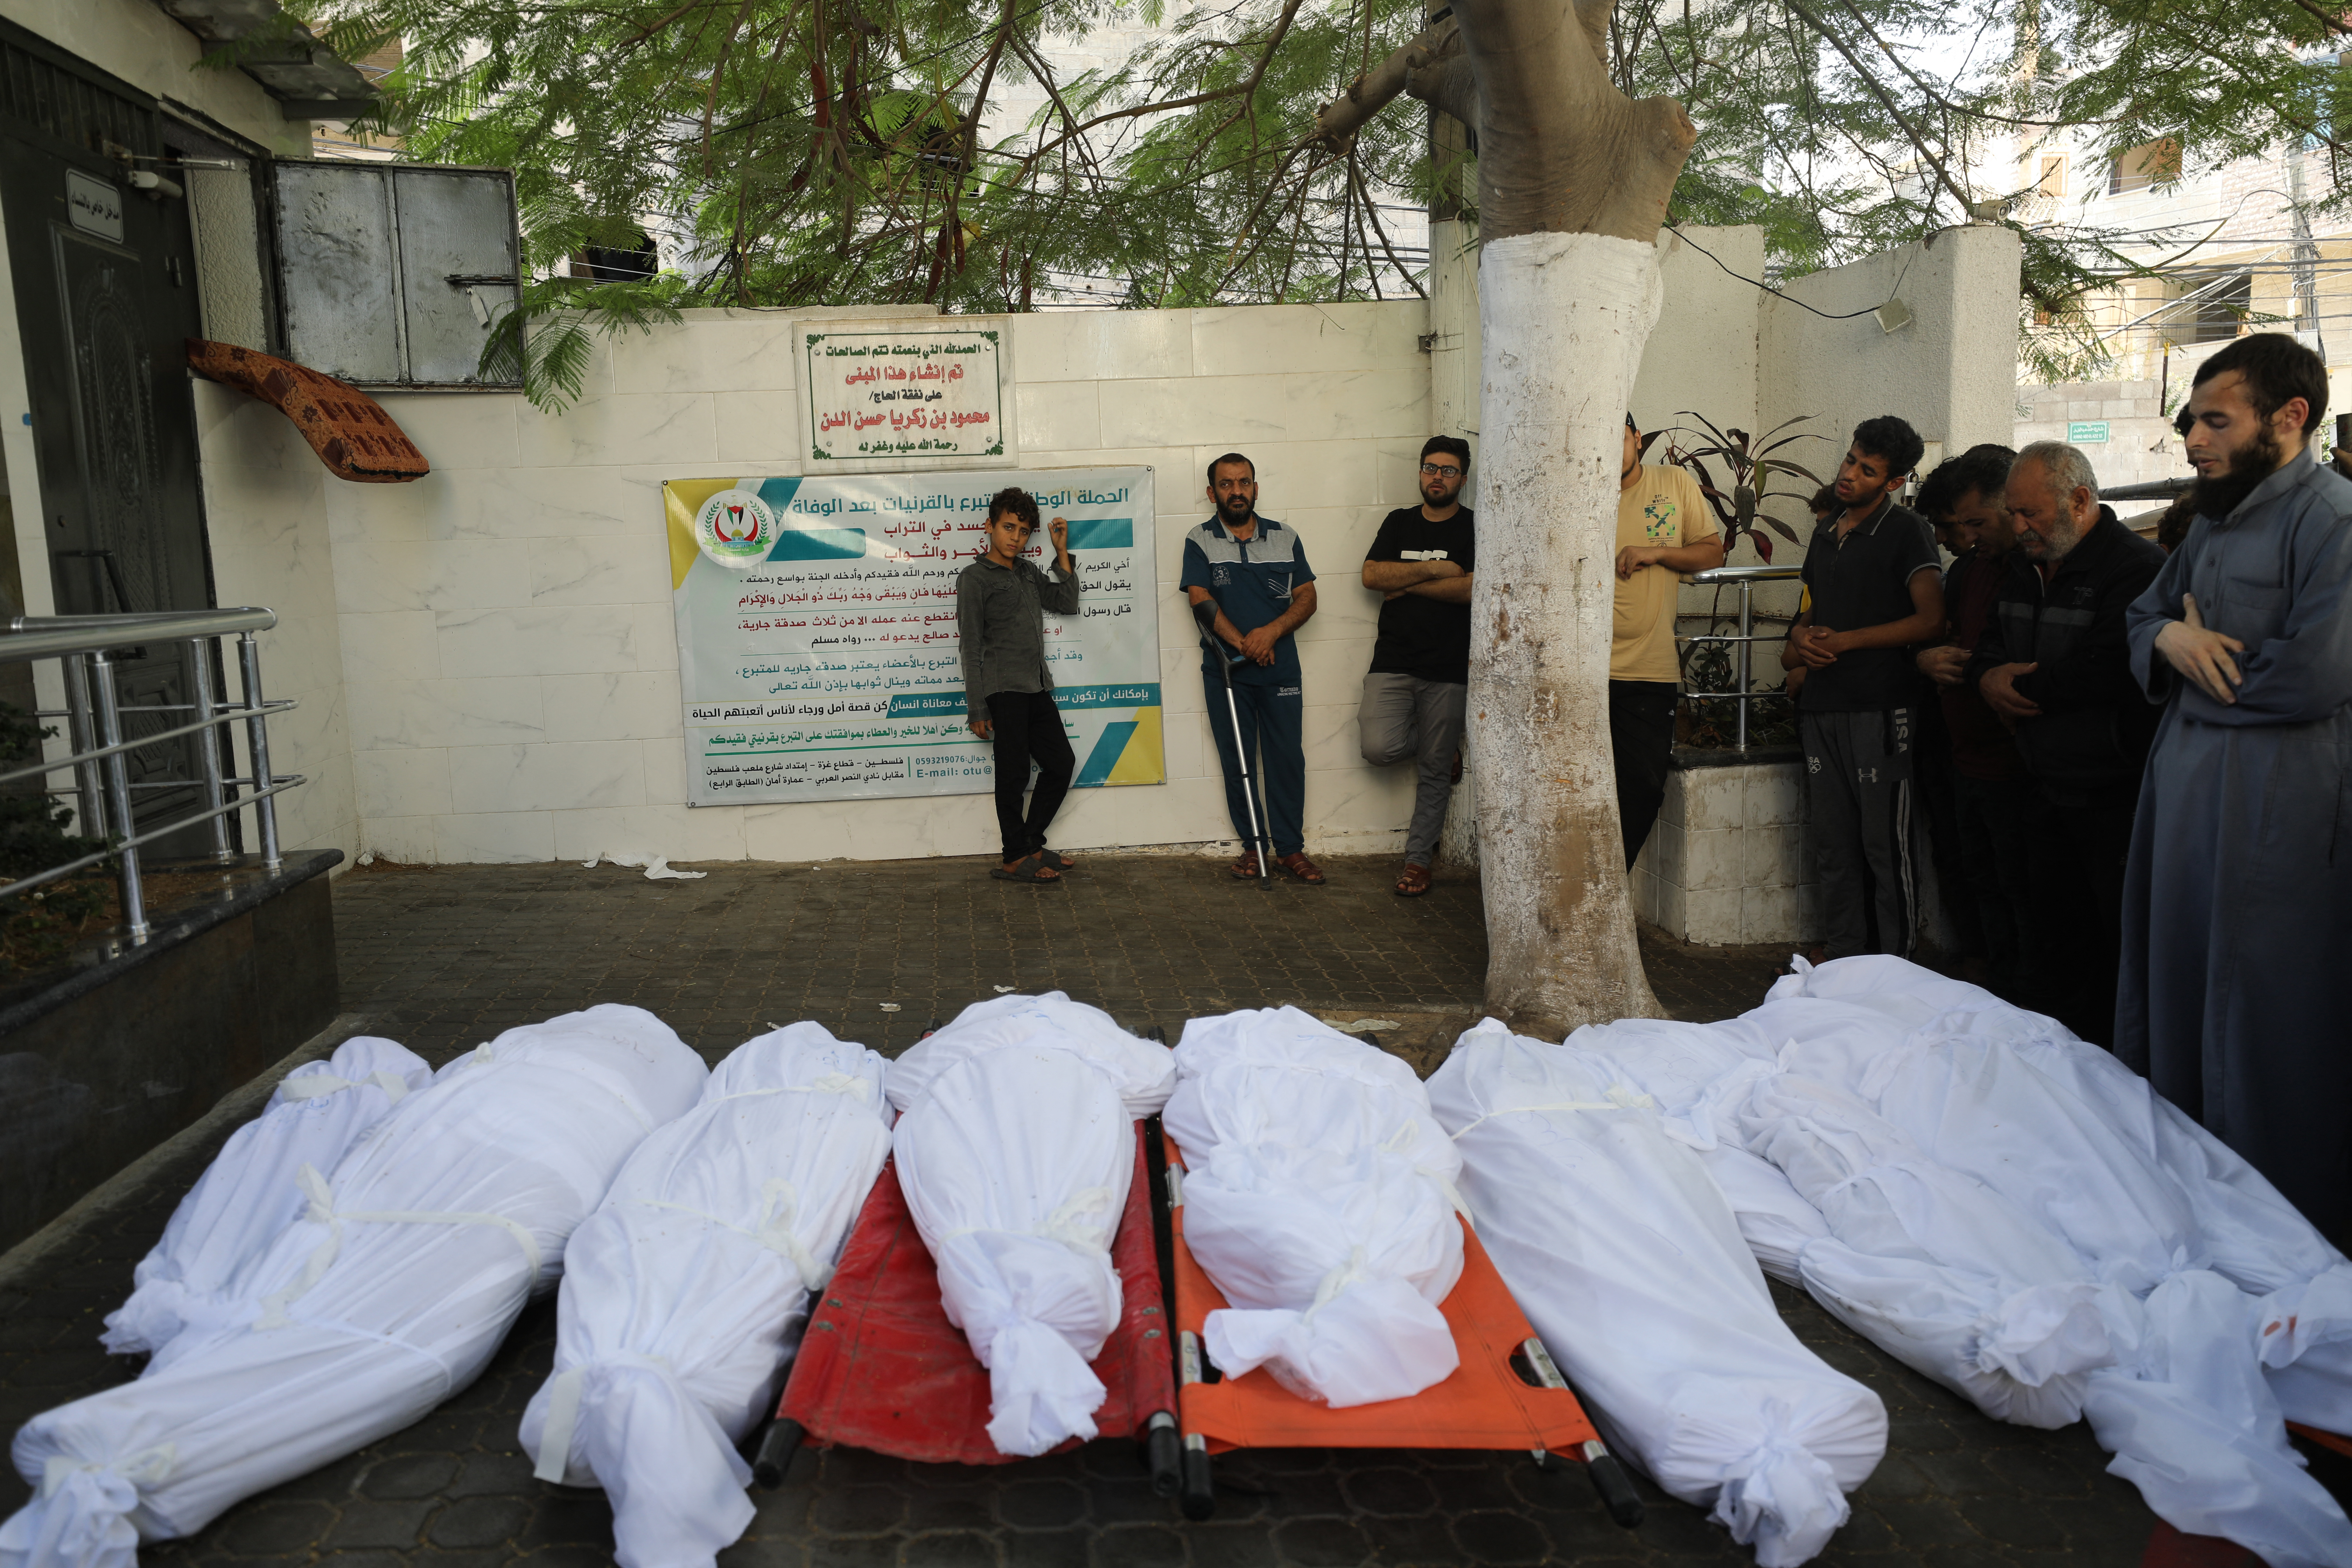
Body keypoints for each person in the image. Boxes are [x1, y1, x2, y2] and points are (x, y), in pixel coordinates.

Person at [2119, 332, 2352, 1242]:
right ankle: (2184, 1206)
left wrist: (2197, 674)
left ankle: (2282, 1234)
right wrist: (2173, 642)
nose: (2195, 441)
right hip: (2183, 803)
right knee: (2175, 985)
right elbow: (2145, 615)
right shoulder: (2213, 518)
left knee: (2270, 1018)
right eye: (2194, 421)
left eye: (2217, 421)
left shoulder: (2332, 521)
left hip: (2280, 814)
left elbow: (2316, 676)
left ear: (2289, 420)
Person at [1966, 442, 2164, 1046]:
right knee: (2049, 935)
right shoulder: (2023, 570)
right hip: (2039, 782)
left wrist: (2014, 684)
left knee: (2111, 943)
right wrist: (1988, 677)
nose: (2019, 528)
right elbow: (1990, 646)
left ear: (2080, 502)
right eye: (2014, 513)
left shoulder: (2135, 567)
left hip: (2111, 793)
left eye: (2030, 514)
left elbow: (2108, 668)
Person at [1781, 415, 1943, 960]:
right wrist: (1802, 642)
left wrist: (1848, 642)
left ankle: (1897, 963)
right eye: (1851, 460)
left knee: (1885, 844)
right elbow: (1808, 612)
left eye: (1867, 469)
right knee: (1833, 843)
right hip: (1822, 704)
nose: (1849, 474)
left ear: (1894, 482)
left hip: (1881, 706)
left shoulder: (1907, 531)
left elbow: (1930, 622)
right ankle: (1844, 953)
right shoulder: (1827, 531)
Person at [1913, 445, 2033, 995]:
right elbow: (1947, 638)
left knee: (2020, 887)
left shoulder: (2034, 571)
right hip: (1963, 757)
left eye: (1972, 524)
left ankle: (2023, 994)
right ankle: (1984, 978)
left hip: (2019, 764)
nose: (1962, 536)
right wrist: (1927, 659)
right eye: (1957, 526)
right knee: (1972, 874)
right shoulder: (1968, 574)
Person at [1183, 453, 1324, 883]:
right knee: (1239, 762)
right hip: (1228, 672)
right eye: (1226, 484)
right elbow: (1199, 597)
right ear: (1212, 493)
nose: (1236, 491)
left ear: (1256, 488)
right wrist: (1245, 642)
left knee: (1286, 760)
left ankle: (1291, 851)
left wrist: (1271, 633)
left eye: (1244, 482)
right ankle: (1254, 847)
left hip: (1280, 671)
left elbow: (1308, 597)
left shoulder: (1285, 537)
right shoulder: (1200, 538)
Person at [1359, 436, 1476, 897]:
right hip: (1394, 660)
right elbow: (1371, 575)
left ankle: (1417, 861)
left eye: (1448, 471)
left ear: (1462, 479)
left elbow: (1470, 590)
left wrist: (1405, 584)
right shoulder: (1399, 523)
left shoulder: (1474, 527)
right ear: (1421, 472)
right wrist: (1436, 571)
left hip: (1449, 667)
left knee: (1432, 774)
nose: (1437, 477)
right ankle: (1441, 747)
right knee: (1378, 747)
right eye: (1431, 468)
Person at [1612, 414, 1724, 868]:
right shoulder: (1574, 492)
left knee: (1642, 787)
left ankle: (1610, 887)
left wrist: (1654, 552)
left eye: (1616, 438)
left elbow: (1711, 551)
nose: (1607, 450)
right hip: (1576, 670)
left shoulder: (1673, 482)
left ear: (1638, 439)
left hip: (1647, 669)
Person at [957, 488, 1080, 883]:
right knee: (1013, 776)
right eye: (1009, 527)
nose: (1016, 538)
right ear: (990, 526)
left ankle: (1031, 842)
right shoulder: (974, 578)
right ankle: (1014, 856)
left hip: (1037, 687)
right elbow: (970, 644)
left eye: (1025, 531)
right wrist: (977, 707)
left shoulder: (1027, 572)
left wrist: (1062, 554)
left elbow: (1066, 602)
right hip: (1003, 690)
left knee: (1061, 764)